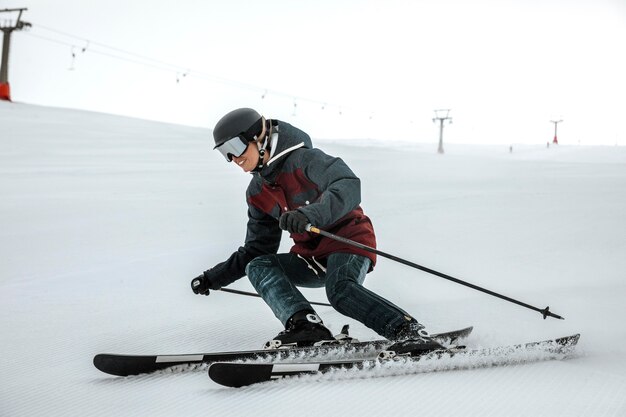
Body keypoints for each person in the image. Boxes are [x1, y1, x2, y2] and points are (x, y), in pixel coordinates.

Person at [191, 108, 443, 355]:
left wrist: (308, 215)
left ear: (260, 137)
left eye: (235, 148)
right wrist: (214, 277)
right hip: (311, 256)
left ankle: (408, 331)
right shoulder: (257, 192)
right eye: (225, 153)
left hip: (348, 241)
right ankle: (306, 325)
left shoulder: (305, 160)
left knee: (340, 290)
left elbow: (348, 185)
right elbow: (257, 248)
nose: (234, 159)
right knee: (258, 265)